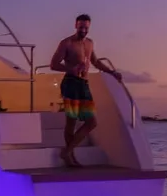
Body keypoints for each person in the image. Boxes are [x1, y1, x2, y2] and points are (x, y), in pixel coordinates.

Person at [48, 13, 122, 167]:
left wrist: (112, 72)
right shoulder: (66, 43)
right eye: (81, 27)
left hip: (83, 84)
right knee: (71, 121)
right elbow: (53, 64)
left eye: (86, 27)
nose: (83, 30)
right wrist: (71, 69)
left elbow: (95, 61)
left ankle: (67, 151)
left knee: (91, 122)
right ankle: (70, 157)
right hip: (71, 83)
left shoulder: (89, 43)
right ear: (76, 25)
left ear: (89, 27)